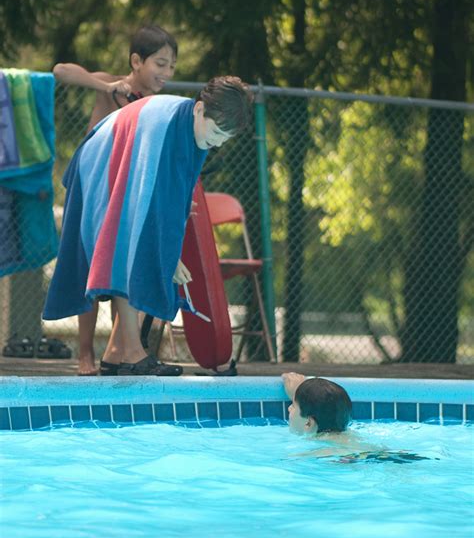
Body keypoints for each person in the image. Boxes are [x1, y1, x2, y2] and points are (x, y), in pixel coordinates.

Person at [43, 76, 253, 376]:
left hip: (118, 162)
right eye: (217, 131)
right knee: (132, 247)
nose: (217, 141)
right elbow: (141, 209)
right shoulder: (164, 129)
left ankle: (115, 353)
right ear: (199, 109)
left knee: (142, 249)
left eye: (225, 137)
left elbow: (175, 199)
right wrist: (167, 257)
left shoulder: (194, 133)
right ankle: (131, 353)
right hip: (99, 165)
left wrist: (170, 255)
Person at [53, 25, 178, 375]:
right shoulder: (110, 88)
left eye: (172, 67)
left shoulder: (156, 104)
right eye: (160, 64)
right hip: (91, 185)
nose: (166, 74)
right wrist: (105, 86)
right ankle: (85, 355)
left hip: (125, 191)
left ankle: (121, 350)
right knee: (90, 271)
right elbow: (60, 71)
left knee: (118, 267)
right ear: (136, 61)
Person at [282, 373, 432, 463]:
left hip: (343, 460)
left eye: (293, 405)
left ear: (308, 423)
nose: (289, 408)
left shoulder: (309, 455)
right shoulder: (351, 436)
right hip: (382, 457)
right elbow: (326, 405)